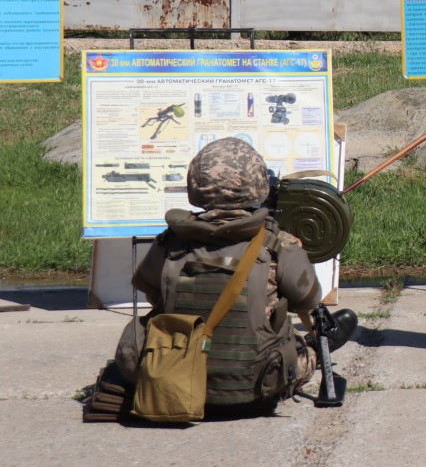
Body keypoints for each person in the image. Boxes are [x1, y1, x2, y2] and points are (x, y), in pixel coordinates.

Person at [112, 138, 357, 415]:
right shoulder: (278, 246)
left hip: (173, 381)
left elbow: (154, 295)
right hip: (260, 385)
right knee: (297, 347)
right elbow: (308, 301)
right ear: (258, 184)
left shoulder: (169, 244)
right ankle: (314, 350)